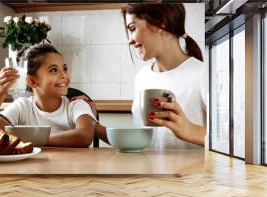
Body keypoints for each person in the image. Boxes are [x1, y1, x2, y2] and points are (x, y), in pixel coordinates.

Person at [89, 4, 207, 149]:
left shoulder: (203, 74)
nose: (130, 40)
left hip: (190, 172)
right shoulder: (142, 77)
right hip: (147, 171)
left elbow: (231, 142)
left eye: (133, 28)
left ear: (160, 23)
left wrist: (189, 129)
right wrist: (92, 124)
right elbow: (146, 141)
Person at [0, 44, 96, 147]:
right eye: (53, 70)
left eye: (64, 69)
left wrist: (36, 140)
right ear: (32, 81)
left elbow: (84, 136)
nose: (64, 75)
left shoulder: (76, 105)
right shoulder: (22, 106)